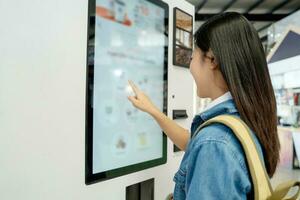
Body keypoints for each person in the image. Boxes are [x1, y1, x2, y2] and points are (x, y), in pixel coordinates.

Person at [127, 12, 280, 199]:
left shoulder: (214, 143)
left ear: (212, 60)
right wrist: (153, 111)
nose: (189, 66)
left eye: (193, 56)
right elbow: (192, 143)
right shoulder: (243, 120)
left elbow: (207, 145)